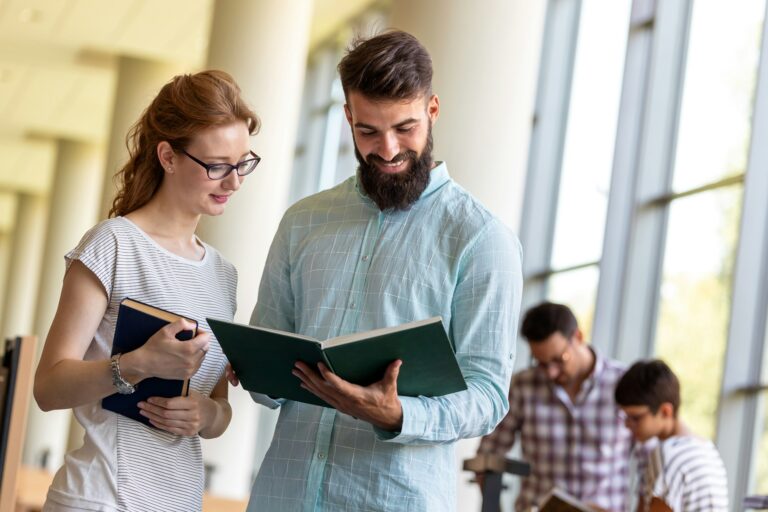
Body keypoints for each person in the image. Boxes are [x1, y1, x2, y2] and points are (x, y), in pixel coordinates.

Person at [237, 30, 523, 511]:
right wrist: (248, 366)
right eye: (368, 131)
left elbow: (488, 395)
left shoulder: (481, 238)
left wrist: (398, 414)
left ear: (432, 110)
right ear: (348, 116)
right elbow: (269, 374)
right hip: (281, 496)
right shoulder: (302, 221)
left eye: (405, 128)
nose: (388, 150)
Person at [33, 70, 260, 511]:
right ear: (168, 157)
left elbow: (218, 405)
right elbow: (48, 387)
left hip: (180, 500)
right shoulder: (113, 243)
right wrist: (136, 365)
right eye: (217, 166)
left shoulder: (222, 275)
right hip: (101, 497)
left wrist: (208, 416)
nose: (233, 182)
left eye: (243, 163)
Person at [475, 301, 633, 512]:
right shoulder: (523, 386)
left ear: (578, 337)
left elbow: (648, 463)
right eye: (541, 363)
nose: (550, 372)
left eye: (559, 360)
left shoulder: (623, 383)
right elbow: (488, 455)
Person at [614, 359, 729, 512]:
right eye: (625, 416)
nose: (627, 424)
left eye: (635, 418)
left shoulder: (665, 454)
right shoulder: (708, 450)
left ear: (665, 411)